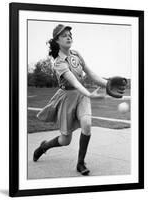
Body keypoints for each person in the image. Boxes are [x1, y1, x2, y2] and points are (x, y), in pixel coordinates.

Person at [33, 24, 124, 175]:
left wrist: (107, 83)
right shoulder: (59, 62)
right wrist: (90, 94)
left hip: (81, 96)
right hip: (67, 98)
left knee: (87, 124)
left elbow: (90, 74)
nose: (69, 37)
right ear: (57, 41)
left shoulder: (76, 54)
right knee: (65, 140)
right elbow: (74, 82)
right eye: (64, 35)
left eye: (70, 34)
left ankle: (80, 163)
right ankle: (44, 147)